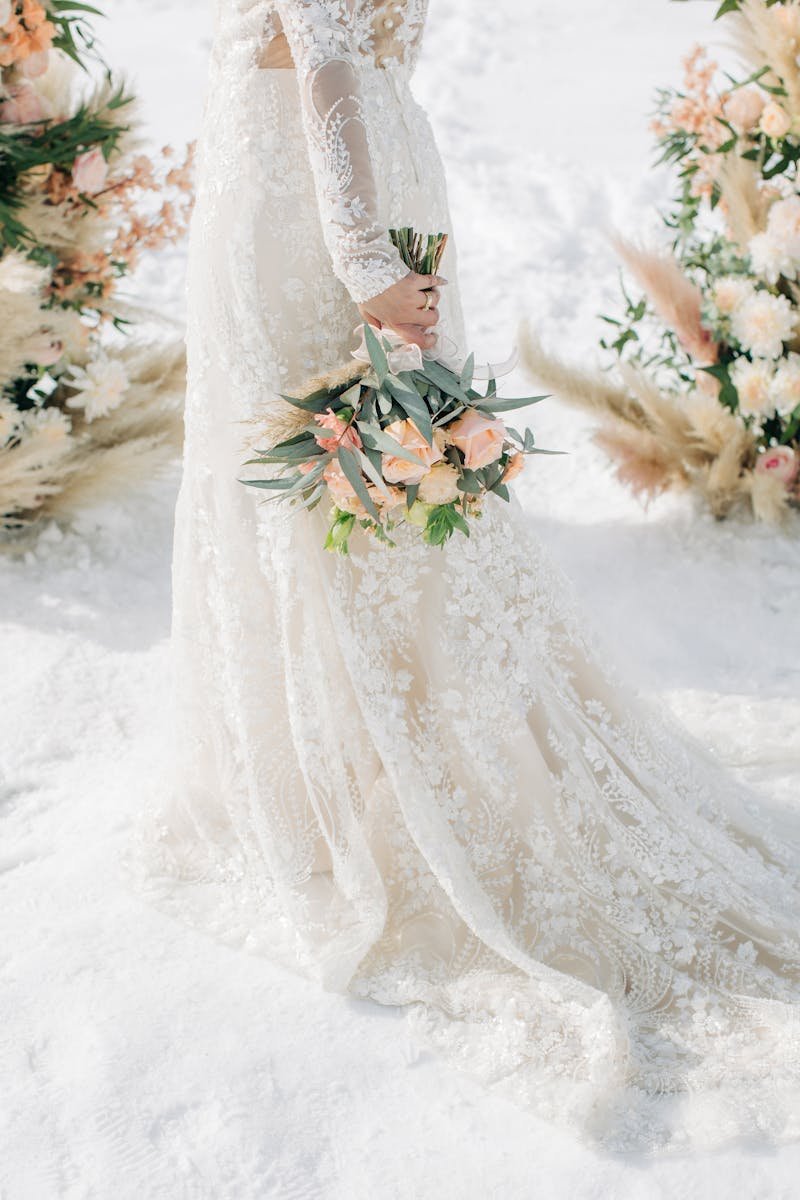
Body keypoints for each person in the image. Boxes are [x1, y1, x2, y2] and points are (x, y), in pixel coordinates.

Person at [136, 0, 800, 1150]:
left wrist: (364, 263)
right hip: (356, 163)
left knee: (330, 477)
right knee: (351, 477)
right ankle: (360, 738)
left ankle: (357, 755)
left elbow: (334, 62)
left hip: (316, 188)